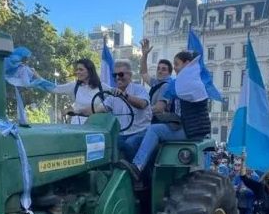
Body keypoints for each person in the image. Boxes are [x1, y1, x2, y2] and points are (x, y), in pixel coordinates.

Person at [118, 51, 211, 180]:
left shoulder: (180, 84)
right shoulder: (190, 83)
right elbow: (145, 76)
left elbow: (160, 107)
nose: (176, 68)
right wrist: (144, 55)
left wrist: (143, 110)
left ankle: (138, 167)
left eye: (177, 65)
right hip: (191, 127)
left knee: (152, 131)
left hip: (190, 130)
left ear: (187, 64)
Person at [90, 60, 152, 161]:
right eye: (115, 75)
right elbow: (98, 109)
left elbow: (142, 104)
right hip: (122, 133)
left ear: (130, 75)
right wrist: (77, 111)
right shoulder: (113, 95)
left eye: (121, 74)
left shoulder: (139, 89)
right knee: (102, 145)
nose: (118, 77)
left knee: (130, 144)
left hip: (140, 131)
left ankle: (137, 171)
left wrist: (124, 95)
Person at [46, 58, 110, 125]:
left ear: (90, 71)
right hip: (77, 128)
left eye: (81, 69)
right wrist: (38, 80)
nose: (77, 72)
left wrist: (116, 91)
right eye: (77, 70)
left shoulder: (102, 87)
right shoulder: (74, 86)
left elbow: (115, 94)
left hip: (96, 127)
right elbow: (55, 88)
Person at [139, 38, 177, 123]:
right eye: (158, 68)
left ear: (169, 73)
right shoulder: (156, 83)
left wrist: (140, 112)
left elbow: (159, 108)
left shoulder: (166, 86)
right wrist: (145, 55)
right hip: (153, 120)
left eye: (163, 69)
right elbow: (143, 73)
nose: (159, 71)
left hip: (160, 123)